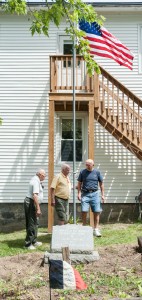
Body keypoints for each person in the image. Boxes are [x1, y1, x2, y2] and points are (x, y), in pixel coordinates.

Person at [77, 159, 105, 237]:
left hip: (95, 193)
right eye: (86, 164)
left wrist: (103, 195)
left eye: (88, 164)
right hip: (85, 193)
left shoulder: (97, 172)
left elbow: (101, 184)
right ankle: (84, 227)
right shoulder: (82, 172)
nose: (87, 166)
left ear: (93, 164)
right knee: (84, 210)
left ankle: (96, 229)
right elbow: (79, 183)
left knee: (96, 211)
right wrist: (79, 193)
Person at [24, 168, 46, 250]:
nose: (45, 177)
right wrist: (38, 208)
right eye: (44, 176)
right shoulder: (35, 181)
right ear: (40, 175)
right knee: (31, 223)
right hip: (31, 203)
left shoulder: (37, 181)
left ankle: (34, 241)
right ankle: (28, 243)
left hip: (33, 202)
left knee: (36, 222)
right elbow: (35, 196)